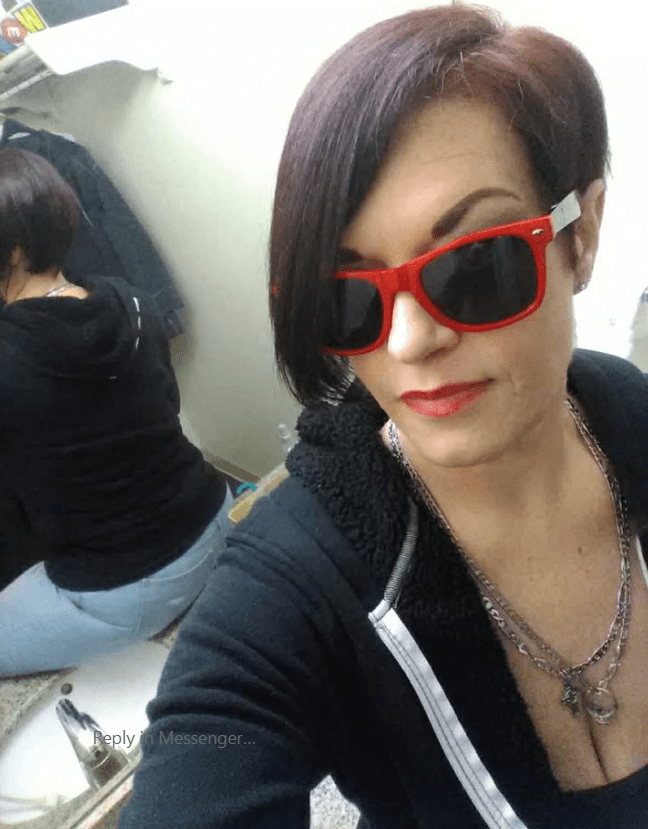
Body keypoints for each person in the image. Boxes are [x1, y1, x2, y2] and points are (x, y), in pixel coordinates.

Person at [119, 5, 648, 828]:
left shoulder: (630, 415)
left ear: (581, 236)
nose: (409, 340)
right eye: (349, 295)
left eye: (475, 264)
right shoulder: (298, 580)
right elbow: (207, 741)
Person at [0, 147, 233, 677]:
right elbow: (165, 406)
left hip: (134, 586)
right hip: (214, 512)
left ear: (12, 251)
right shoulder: (132, 302)